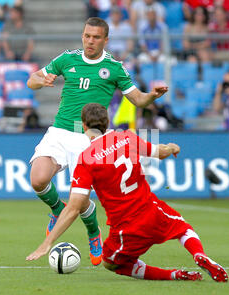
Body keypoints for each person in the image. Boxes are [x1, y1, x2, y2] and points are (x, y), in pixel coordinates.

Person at [26, 103, 228, 283]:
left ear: (84, 126)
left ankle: (174, 275)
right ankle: (198, 254)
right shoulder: (126, 138)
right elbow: (160, 152)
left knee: (112, 263)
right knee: (183, 229)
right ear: (107, 123)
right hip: (151, 210)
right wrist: (172, 147)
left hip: (125, 228)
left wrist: (47, 242)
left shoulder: (86, 160)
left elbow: (74, 208)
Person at [26, 17, 168, 266]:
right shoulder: (67, 59)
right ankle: (57, 209)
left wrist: (152, 96)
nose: (90, 41)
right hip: (60, 130)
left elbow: (137, 99)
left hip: (90, 138)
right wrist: (41, 80)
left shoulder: (114, 68)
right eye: (86, 36)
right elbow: (33, 80)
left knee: (78, 201)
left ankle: (93, 232)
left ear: (105, 40)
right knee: (38, 179)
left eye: (95, 37)